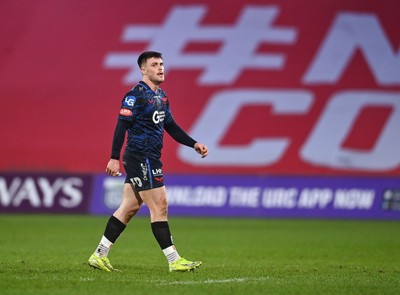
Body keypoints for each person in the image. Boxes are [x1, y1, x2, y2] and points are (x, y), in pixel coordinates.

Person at [88, 51, 208, 272]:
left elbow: (170, 125)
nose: (160, 68)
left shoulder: (161, 96)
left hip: (149, 157)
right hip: (141, 157)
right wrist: (114, 158)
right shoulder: (135, 95)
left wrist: (193, 144)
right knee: (160, 206)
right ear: (143, 69)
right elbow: (121, 126)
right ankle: (174, 260)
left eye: (162, 63)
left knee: (129, 208)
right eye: (155, 64)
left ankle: (99, 254)